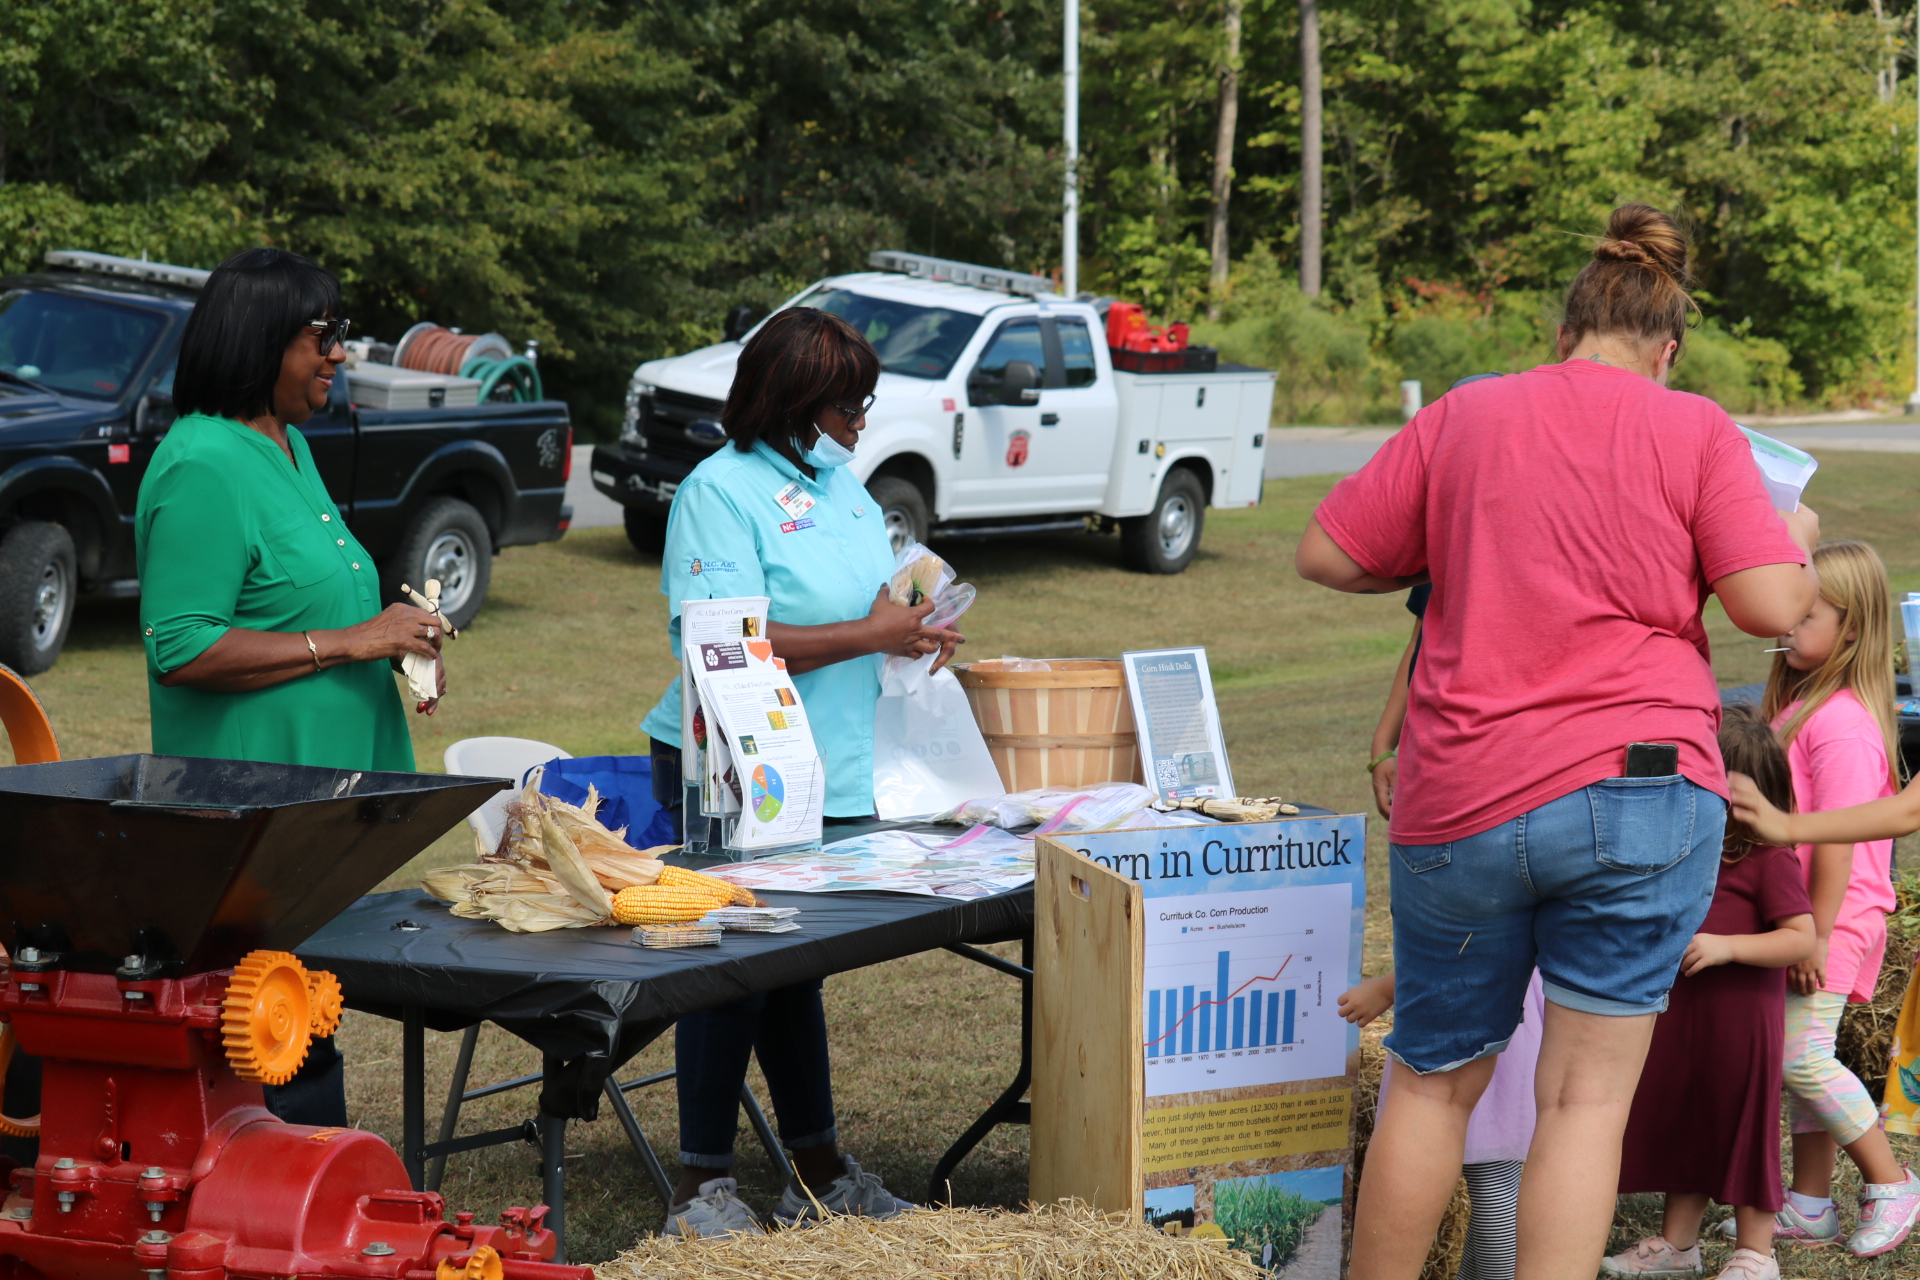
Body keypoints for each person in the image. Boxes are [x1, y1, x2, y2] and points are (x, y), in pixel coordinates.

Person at [1293, 202, 1820, 1280]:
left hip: (1464, 789)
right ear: (1667, 347)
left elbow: (1328, 554)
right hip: (1643, 791)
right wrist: (1799, 546)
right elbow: (1772, 607)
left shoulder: (1465, 414)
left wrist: (1450, 542)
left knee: (1432, 1084)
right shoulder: (1696, 426)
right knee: (1584, 1102)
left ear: (1564, 328)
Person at [635, 307, 961, 1236]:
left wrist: (912, 625)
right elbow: (727, 641)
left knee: (792, 968)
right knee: (731, 961)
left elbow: (869, 602)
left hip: (826, 766)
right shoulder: (719, 490)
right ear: (794, 403)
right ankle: (702, 1188)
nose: (863, 421)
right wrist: (873, 631)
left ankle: (816, 1172)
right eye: (850, 404)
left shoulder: (843, 485)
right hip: (730, 761)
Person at [136, 246, 447, 1124]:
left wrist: (395, 638)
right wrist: (354, 640)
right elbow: (183, 647)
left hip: (315, 811)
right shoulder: (203, 463)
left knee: (302, 1023)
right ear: (259, 343)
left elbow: (298, 603)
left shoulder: (289, 447)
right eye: (323, 336)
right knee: (271, 1037)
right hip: (249, 814)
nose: (339, 353)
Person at [1743, 541, 1919, 1256]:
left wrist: (1811, 933)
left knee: (1797, 1057)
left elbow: (1840, 839)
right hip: (1808, 914)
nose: (1785, 622)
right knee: (1803, 1056)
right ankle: (1810, 1204)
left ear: (1851, 628)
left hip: (1833, 915)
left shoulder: (1842, 722)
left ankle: (1892, 1180)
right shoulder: (1802, 707)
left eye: (1806, 612)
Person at [1601, 704, 1815, 1280]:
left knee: (1744, 1126)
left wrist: (1727, 947)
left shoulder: (1769, 859)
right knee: (1687, 1120)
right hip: (1683, 1015)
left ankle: (1756, 1253)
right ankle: (1679, 1246)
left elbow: (1801, 938)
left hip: (1742, 1024)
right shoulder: (1686, 855)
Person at [1341, 969, 1545, 1280]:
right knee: (1495, 1179)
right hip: (1493, 1017)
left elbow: (1469, 940)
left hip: (1474, 1025)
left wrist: (1387, 988)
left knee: (1494, 1183)